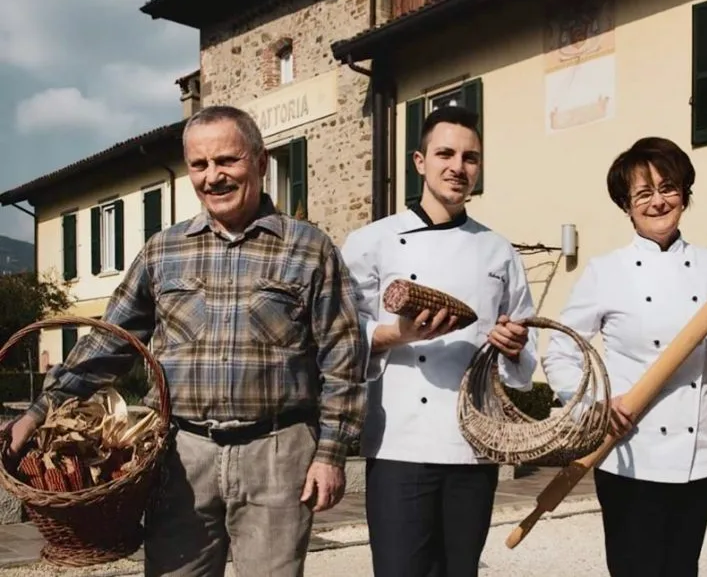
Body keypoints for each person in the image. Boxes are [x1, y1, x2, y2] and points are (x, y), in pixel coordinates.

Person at [5, 105, 367, 577]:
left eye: (227, 160)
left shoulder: (310, 247)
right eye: (200, 164)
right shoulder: (164, 250)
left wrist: (331, 453)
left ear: (260, 162)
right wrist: (38, 412)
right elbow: (108, 343)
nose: (213, 176)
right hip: (180, 455)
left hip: (277, 452)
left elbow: (343, 357)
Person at [541, 136, 707, 577]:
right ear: (627, 205)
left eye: (668, 188)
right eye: (643, 193)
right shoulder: (605, 271)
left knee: (682, 569)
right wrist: (595, 406)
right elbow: (561, 351)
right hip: (629, 453)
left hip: (697, 458)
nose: (658, 202)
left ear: (684, 195)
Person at [340, 104, 537, 577]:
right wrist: (395, 334)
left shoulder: (498, 250)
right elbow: (339, 337)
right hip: (399, 445)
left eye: (470, 158)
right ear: (419, 162)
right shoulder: (372, 242)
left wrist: (513, 347)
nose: (458, 167)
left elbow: (525, 356)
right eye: (445, 154)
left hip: (474, 446)